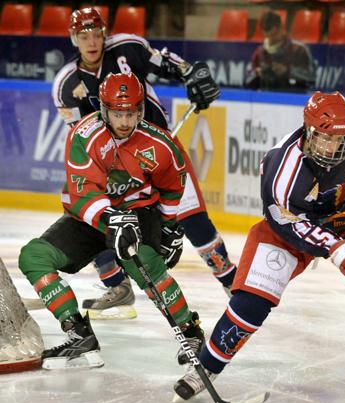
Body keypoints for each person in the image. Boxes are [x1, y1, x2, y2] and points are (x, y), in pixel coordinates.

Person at [173, 91, 345, 403]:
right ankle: (205, 367)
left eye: (339, 140)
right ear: (308, 131)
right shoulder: (283, 168)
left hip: (343, 218)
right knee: (252, 300)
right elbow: (292, 225)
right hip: (289, 228)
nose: (332, 147)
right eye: (324, 138)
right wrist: (340, 251)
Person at [51, 7, 236, 319]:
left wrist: (194, 74)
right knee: (88, 211)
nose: (92, 41)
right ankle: (116, 284)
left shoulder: (128, 47)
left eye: (97, 34)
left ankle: (231, 281)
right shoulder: (66, 85)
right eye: (84, 36)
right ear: (74, 39)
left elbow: (171, 65)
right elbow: (82, 139)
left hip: (159, 152)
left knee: (191, 217)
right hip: (113, 167)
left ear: (105, 34)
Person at [19, 73, 204, 369]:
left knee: (142, 262)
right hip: (95, 216)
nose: (125, 121)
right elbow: (82, 195)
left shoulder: (161, 144)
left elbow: (172, 189)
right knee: (34, 256)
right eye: (118, 113)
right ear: (104, 110)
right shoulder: (84, 135)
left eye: (131, 112)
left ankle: (189, 331)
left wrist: (169, 228)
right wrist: (111, 219)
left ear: (140, 109)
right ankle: (78, 333)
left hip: (139, 212)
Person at [245, 10, 316, 92]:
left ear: (281, 28)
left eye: (274, 35)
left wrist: (288, 71)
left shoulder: (299, 50)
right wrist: (257, 73)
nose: (272, 39)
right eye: (268, 36)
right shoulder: (260, 52)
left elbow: (311, 77)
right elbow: (247, 79)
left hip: (294, 98)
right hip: (266, 98)